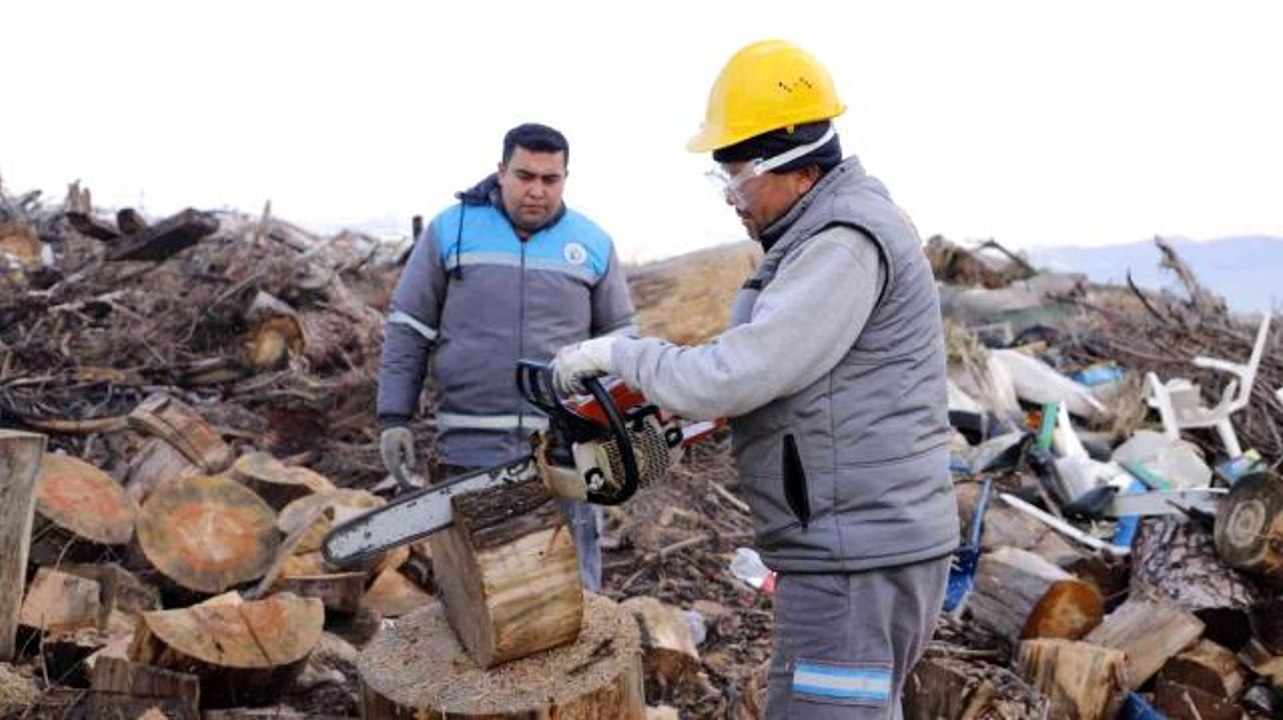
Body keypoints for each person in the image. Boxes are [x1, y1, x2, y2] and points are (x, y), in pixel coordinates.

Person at [551, 40, 958, 718]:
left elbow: (743, 371)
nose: (730, 199)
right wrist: (671, 414)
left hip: (856, 557)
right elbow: (797, 384)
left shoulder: (840, 244)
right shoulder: (820, 238)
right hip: (857, 546)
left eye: (735, 179)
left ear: (795, 168)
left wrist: (621, 357)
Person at [378, 122, 637, 592]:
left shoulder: (592, 244)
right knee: (477, 596)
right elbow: (409, 327)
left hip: (566, 451)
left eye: (549, 179)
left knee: (572, 593)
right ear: (501, 172)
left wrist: (620, 428)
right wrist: (393, 416)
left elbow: (620, 341)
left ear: (565, 179)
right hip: (470, 450)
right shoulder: (451, 230)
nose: (536, 190)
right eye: (524, 176)